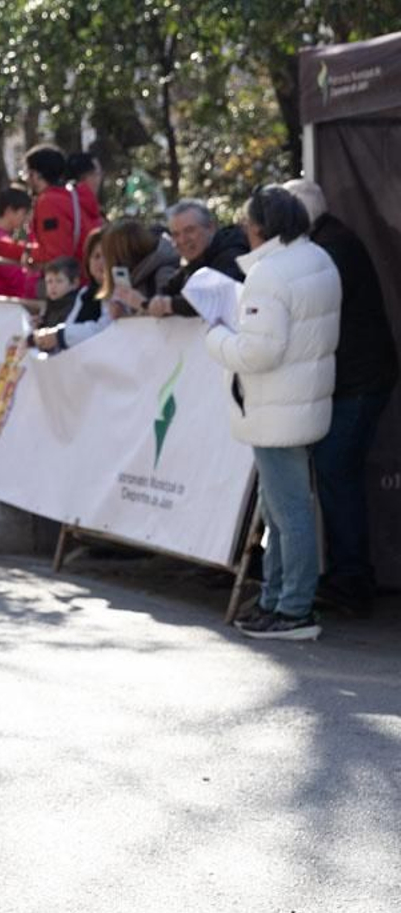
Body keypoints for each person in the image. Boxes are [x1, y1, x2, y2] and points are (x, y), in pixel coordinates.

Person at [205, 185, 340, 641]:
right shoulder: (319, 259)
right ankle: (277, 600)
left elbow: (260, 351)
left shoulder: (270, 273)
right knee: (283, 508)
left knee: (287, 512)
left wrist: (217, 337)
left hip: (275, 405)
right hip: (304, 402)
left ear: (260, 226)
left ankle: (292, 608)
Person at [285, 178, 399, 616]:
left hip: (357, 381)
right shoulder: (331, 242)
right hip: (356, 377)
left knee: (337, 473)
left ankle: (351, 578)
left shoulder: (328, 250)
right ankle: (348, 575)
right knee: (337, 474)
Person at [0, 144, 92, 275]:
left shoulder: (49, 202)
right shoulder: (71, 196)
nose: (26, 179)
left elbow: (54, 255)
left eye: (27, 173)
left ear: (36, 175)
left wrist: (26, 255)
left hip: (68, 284)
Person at [146, 200, 249, 318]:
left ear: (211, 227)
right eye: (175, 234)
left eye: (189, 230)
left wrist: (168, 305)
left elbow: (211, 298)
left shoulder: (232, 254)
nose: (182, 240)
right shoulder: (195, 263)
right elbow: (166, 292)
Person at [35, 228, 109, 353]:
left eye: (107, 256)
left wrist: (59, 336)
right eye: (96, 256)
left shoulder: (117, 293)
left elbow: (104, 329)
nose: (101, 262)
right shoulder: (85, 293)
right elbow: (71, 325)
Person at [99, 219, 181, 317]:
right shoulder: (134, 277)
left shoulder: (163, 272)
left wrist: (142, 304)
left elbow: (173, 316)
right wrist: (122, 313)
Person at [35, 258, 83, 329]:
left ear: (75, 283)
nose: (53, 286)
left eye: (59, 281)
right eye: (49, 281)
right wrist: (40, 323)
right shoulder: (53, 303)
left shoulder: (73, 307)